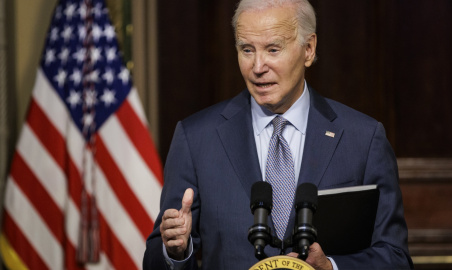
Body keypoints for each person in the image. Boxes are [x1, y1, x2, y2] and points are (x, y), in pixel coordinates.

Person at [143, 0, 413, 269]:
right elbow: (156, 259)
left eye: (273, 49)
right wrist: (177, 251)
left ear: (309, 49)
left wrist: (331, 267)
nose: (258, 66)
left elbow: (396, 259)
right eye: (247, 50)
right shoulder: (196, 139)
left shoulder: (363, 139)